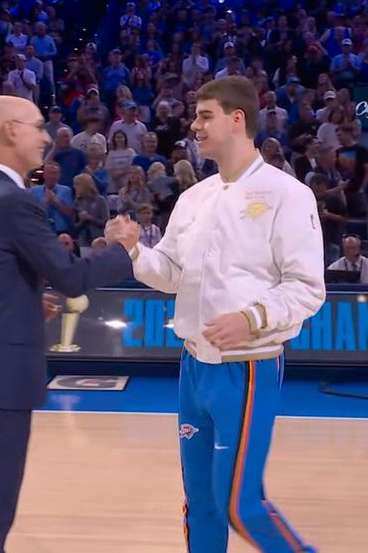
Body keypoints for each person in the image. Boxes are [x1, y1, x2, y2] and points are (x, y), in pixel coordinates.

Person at [106, 76, 324, 553]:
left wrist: (252, 318)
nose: (194, 126)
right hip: (193, 365)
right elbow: (171, 273)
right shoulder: (193, 198)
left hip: (247, 366)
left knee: (240, 506)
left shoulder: (287, 195)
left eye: (205, 116)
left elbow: (307, 288)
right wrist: (135, 251)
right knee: (201, 503)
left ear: (236, 119)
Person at [0, 95, 136, 553]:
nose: (45, 136)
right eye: (38, 126)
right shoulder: (14, 203)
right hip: (1, 378)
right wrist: (123, 249)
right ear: (10, 130)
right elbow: (71, 278)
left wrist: (19, 300)